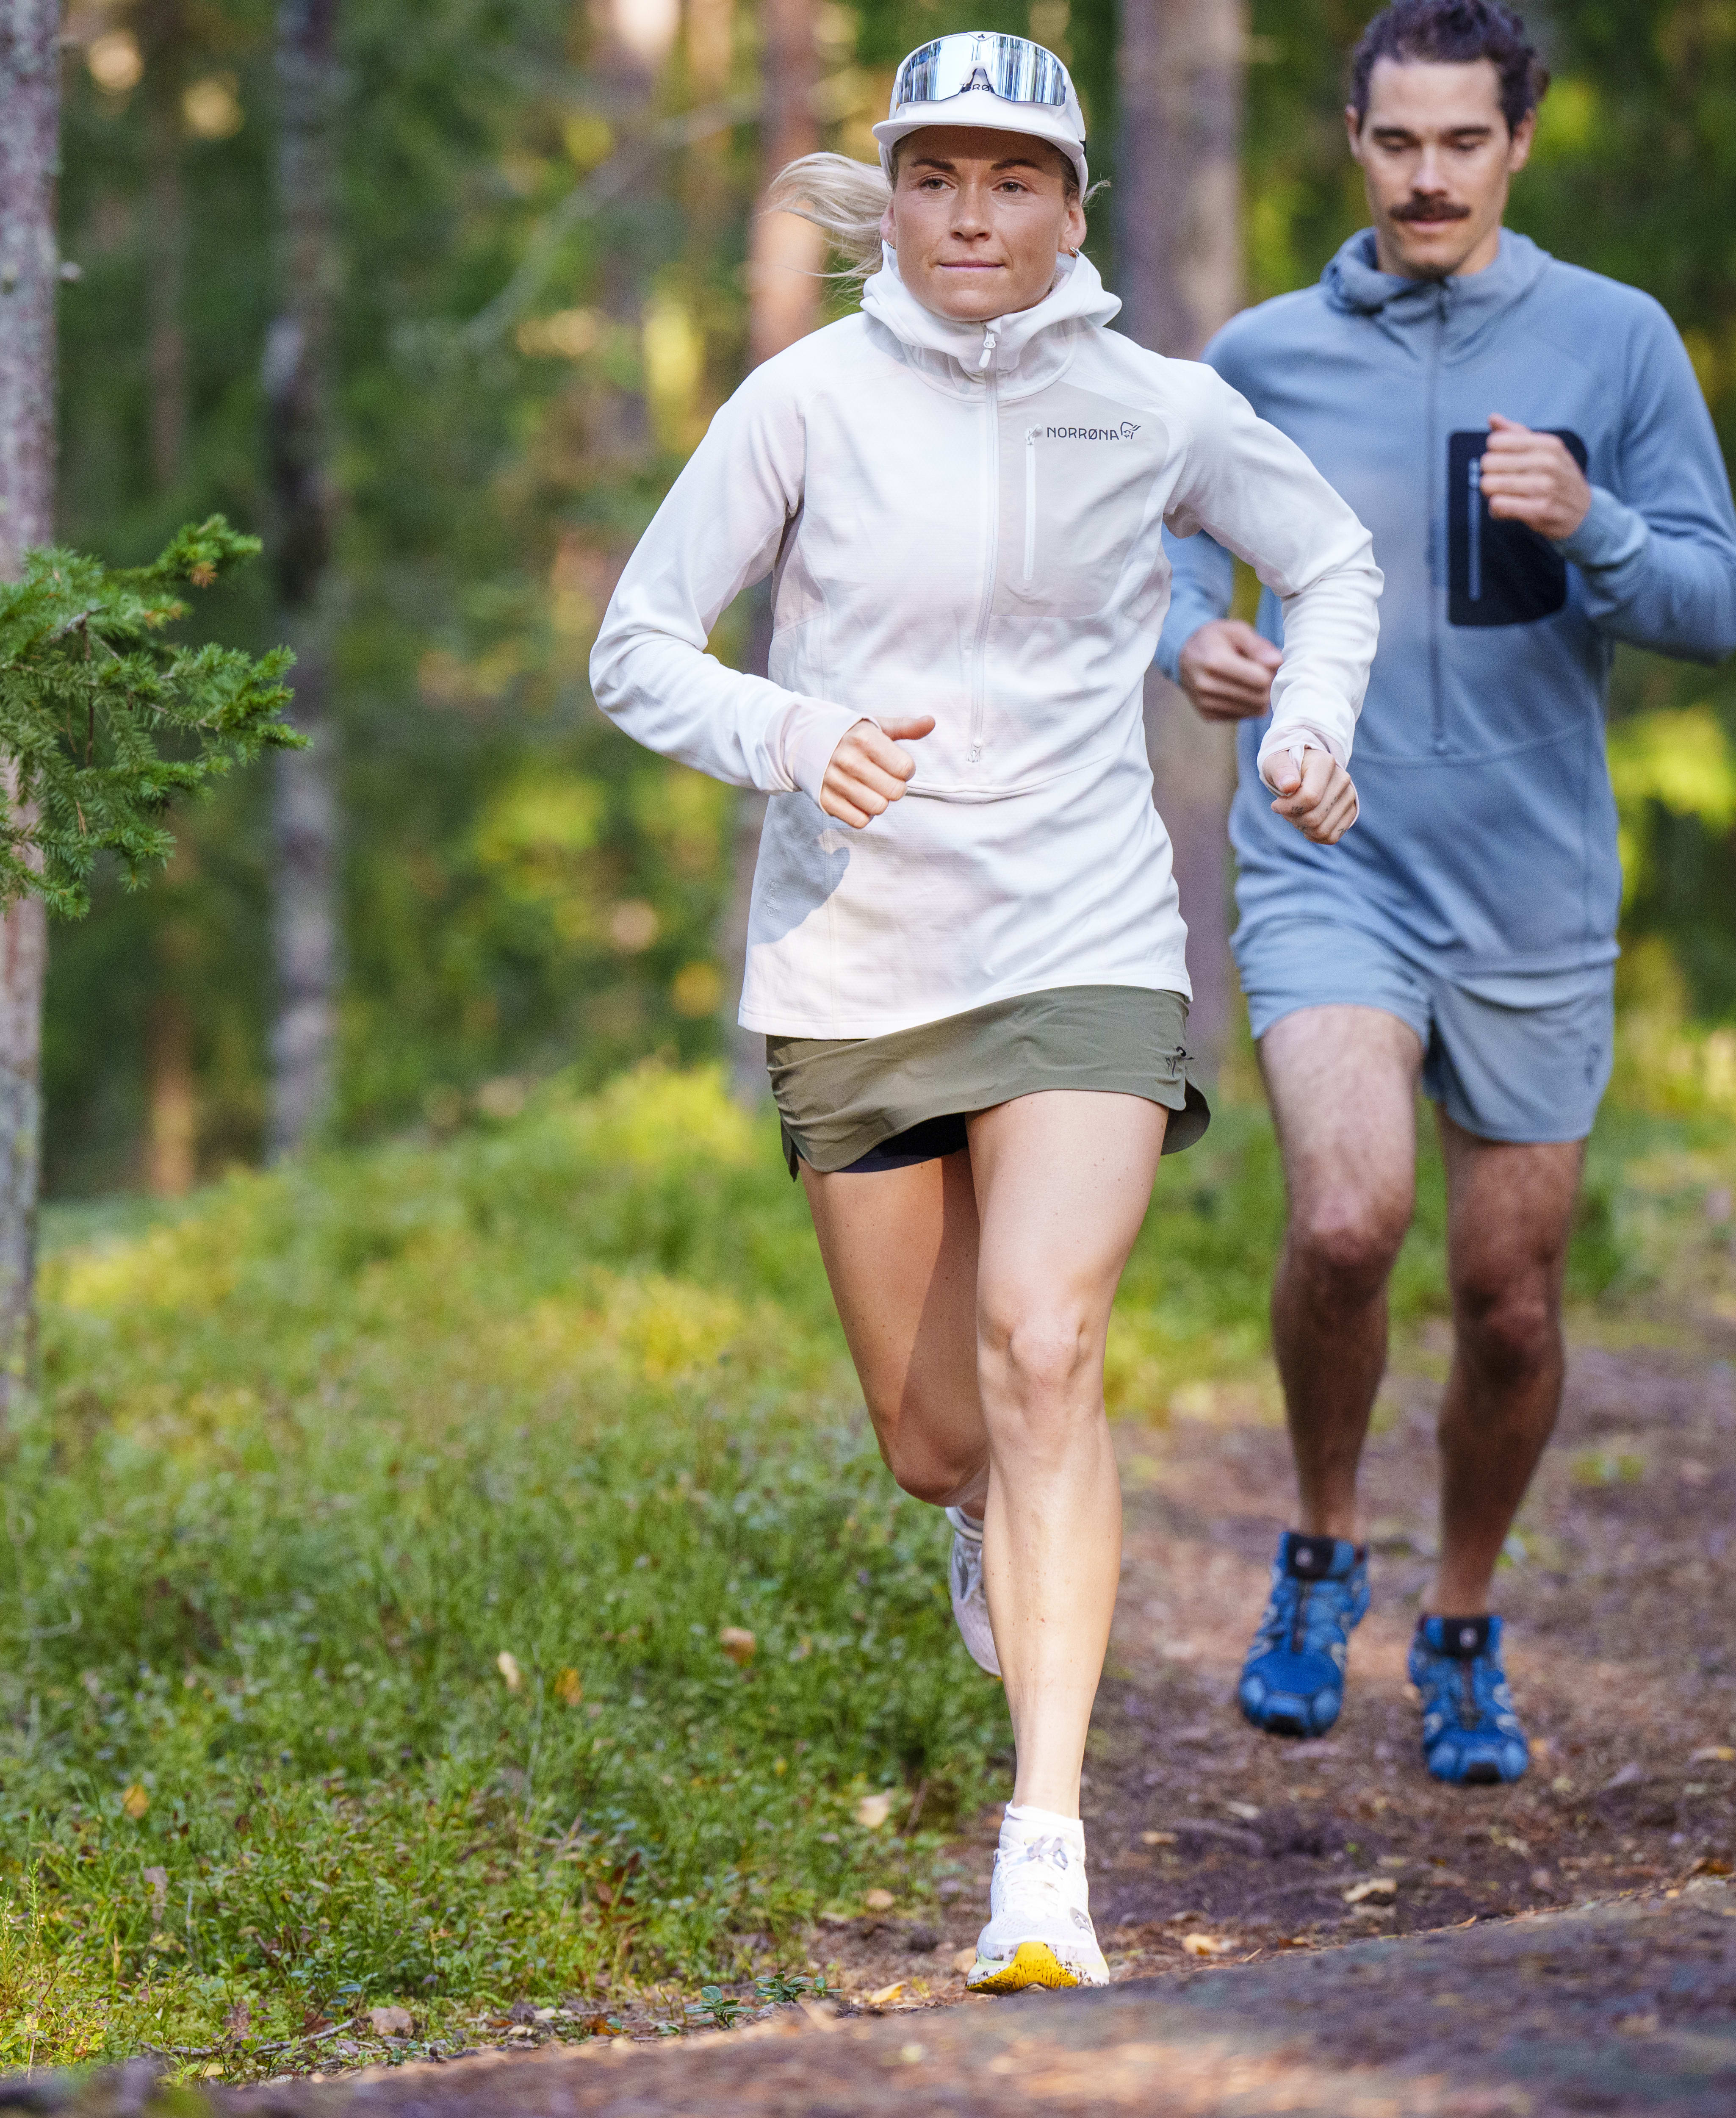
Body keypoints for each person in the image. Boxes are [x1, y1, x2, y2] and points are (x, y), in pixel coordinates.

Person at [591, 32, 1380, 1990]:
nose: (970, 214)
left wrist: (1310, 707)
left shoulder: (1153, 406)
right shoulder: (802, 403)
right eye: (936, 177)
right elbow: (631, 647)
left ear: (1070, 209)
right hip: (858, 958)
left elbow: (1335, 557)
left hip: (1084, 930)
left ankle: (1044, 1853)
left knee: (1047, 1344)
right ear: (899, 190)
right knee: (936, 1427)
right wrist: (794, 732)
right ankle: (976, 1512)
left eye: (1011, 182)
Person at [1158, 0, 1736, 1784]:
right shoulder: (1259, 355)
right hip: (1329, 850)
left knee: (1509, 1292)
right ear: (1351, 135)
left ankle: (1463, 1617)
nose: (1427, 176)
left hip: (1532, 888)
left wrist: (1591, 520)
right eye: (1396, 140)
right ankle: (1322, 1549)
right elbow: (1173, 546)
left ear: (1516, 143)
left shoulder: (1613, 340)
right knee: (1346, 1221)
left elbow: (1716, 603)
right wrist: (1198, 634)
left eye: (1461, 143)